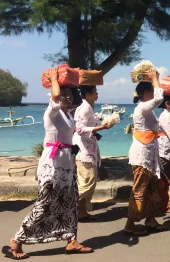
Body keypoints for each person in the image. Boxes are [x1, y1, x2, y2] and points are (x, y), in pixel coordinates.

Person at [2, 68, 93, 260]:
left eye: (70, 95)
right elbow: (56, 96)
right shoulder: (51, 113)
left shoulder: (68, 115)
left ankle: (71, 240)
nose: (67, 98)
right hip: (51, 167)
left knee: (70, 205)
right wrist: (54, 80)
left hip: (67, 165)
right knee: (44, 205)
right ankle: (17, 240)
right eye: (64, 95)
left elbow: (70, 137)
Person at [123, 70, 170, 236]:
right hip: (142, 155)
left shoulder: (146, 110)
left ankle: (150, 219)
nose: (153, 93)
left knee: (152, 189)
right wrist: (155, 79)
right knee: (139, 190)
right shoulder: (142, 108)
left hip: (149, 155)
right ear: (145, 93)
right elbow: (159, 99)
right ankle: (130, 224)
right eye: (151, 90)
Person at [73, 85, 113, 221]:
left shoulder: (87, 106)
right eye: (95, 92)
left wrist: (99, 128)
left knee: (86, 179)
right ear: (87, 94)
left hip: (88, 146)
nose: (97, 94)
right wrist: (102, 126)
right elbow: (79, 129)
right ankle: (66, 204)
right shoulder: (84, 107)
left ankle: (82, 211)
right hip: (84, 149)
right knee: (88, 180)